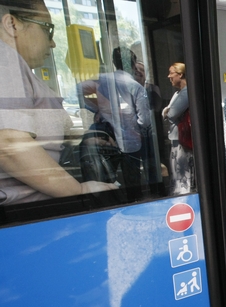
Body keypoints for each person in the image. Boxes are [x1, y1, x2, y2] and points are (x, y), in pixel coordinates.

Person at [0, 0, 117, 205]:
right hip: (25, 214)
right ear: (12, 24)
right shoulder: (5, 60)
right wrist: (78, 190)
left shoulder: (18, 69)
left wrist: (82, 139)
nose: (53, 43)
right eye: (48, 29)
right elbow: (9, 144)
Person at [78, 47, 152, 201]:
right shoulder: (136, 87)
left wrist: (97, 108)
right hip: (130, 141)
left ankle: (111, 207)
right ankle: (133, 207)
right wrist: (134, 128)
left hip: (107, 138)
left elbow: (79, 90)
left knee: (106, 178)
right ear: (132, 63)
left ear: (114, 62)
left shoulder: (102, 79)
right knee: (132, 182)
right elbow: (144, 120)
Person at [162, 62, 194, 194]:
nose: (168, 76)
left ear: (180, 74)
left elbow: (171, 113)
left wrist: (167, 112)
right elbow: (165, 113)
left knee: (182, 172)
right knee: (176, 171)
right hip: (176, 137)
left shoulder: (186, 93)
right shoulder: (178, 93)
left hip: (182, 139)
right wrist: (167, 112)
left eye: (171, 73)